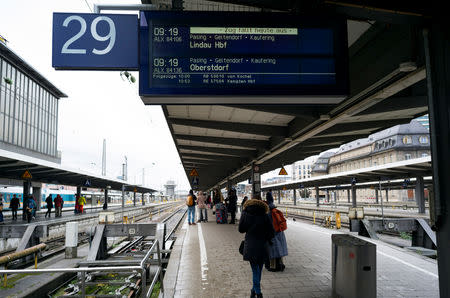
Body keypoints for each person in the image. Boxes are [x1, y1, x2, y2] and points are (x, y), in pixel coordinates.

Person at [239, 194, 275, 298]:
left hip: (250, 245)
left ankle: (257, 293)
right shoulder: (265, 213)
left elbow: (241, 229)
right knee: (258, 269)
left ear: (251, 200)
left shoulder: (245, 212)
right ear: (261, 201)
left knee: (255, 270)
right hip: (263, 246)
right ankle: (255, 291)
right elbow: (271, 232)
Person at [266, 202, 288, 272]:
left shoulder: (270, 214)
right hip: (280, 232)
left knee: (272, 251)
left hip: (273, 233)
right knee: (279, 249)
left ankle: (273, 267)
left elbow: (269, 225)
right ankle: (281, 264)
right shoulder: (277, 212)